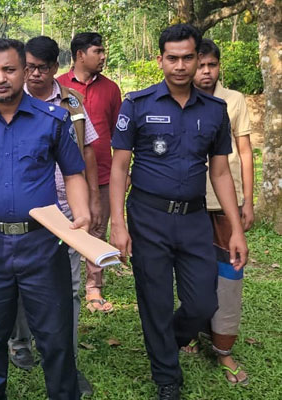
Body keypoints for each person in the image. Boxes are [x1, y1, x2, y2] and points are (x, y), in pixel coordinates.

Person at [109, 24, 249, 400]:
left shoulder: (215, 111)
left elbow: (219, 172)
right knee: (154, 300)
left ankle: (166, 341)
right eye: (173, 58)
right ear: (160, 60)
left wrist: (235, 229)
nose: (182, 66)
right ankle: (167, 378)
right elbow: (120, 167)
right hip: (148, 217)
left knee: (204, 300)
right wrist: (118, 224)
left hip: (194, 219)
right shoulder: (137, 105)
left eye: (189, 57)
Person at [0, 38, 90, 400]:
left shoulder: (52, 120)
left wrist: (82, 213)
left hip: (42, 242)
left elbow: (73, 173)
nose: (1, 78)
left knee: (54, 336)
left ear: (25, 72)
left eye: (9, 69)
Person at [8, 35, 99, 395]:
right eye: (27, 66)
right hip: (24, 212)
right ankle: (19, 342)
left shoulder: (71, 103)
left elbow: (87, 154)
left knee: (70, 289)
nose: (32, 74)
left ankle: (66, 362)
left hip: (67, 212)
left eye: (40, 68)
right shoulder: (4, 98)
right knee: (17, 286)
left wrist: (91, 203)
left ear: (54, 69)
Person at [180, 38, 254, 385]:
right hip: (190, 204)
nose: (206, 72)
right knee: (194, 270)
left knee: (229, 275)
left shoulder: (233, 101)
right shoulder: (180, 101)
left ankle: (224, 347)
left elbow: (245, 152)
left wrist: (247, 202)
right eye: (202, 65)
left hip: (224, 204)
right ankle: (192, 331)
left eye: (212, 65)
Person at [57, 32, 121, 313]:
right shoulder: (58, 86)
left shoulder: (111, 89)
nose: (103, 56)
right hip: (62, 176)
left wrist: (124, 172)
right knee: (63, 229)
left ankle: (94, 287)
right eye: (98, 51)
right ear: (80, 54)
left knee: (96, 227)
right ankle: (61, 281)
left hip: (103, 173)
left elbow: (119, 132)